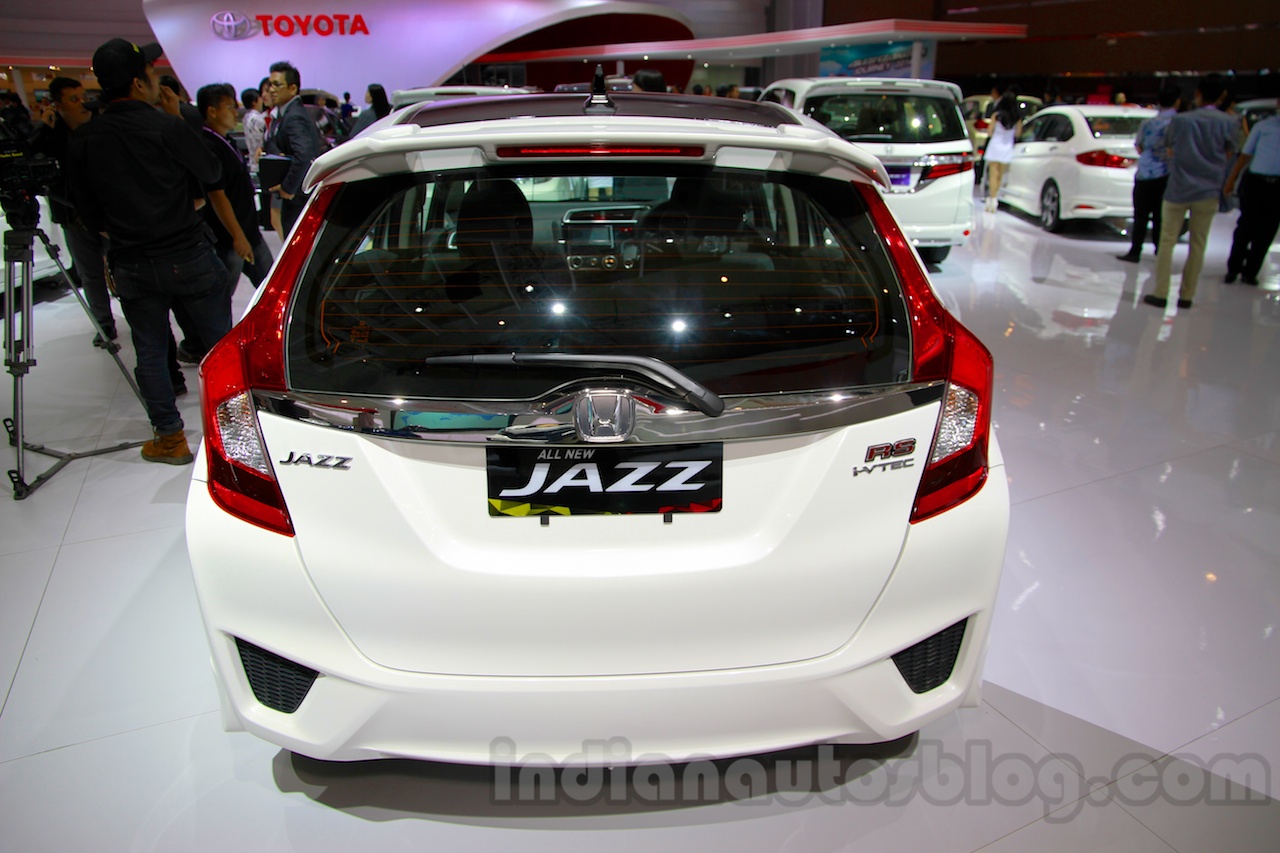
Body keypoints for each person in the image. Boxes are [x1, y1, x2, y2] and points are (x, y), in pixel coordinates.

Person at [65, 38, 230, 464]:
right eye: (153, 74)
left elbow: (85, 213)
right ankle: (235, 434)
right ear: (139, 83)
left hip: (132, 261)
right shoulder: (168, 127)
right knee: (220, 348)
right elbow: (212, 173)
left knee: (152, 353)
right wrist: (179, 123)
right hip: (189, 254)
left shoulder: (85, 139)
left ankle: (171, 439)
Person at [28, 76, 118, 347]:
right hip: (74, 218)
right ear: (57, 105)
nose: (82, 103)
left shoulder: (101, 129)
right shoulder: (50, 137)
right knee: (89, 274)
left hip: (110, 215)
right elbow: (32, 162)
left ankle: (140, 319)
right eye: (73, 99)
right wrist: (43, 127)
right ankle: (104, 323)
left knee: (123, 269)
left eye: (83, 97)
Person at [1142, 74, 1238, 311]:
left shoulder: (1181, 121)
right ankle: (1187, 296)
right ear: (1222, 96)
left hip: (1177, 187)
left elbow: (1170, 148)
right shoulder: (1228, 122)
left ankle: (1160, 292)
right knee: (1198, 244)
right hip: (1207, 190)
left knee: (1166, 241)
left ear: (1197, 93)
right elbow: (1230, 152)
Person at [198, 82, 273, 302]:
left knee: (272, 289)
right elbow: (217, 196)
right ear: (212, 111)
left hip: (248, 231)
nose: (235, 113)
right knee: (220, 297)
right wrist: (238, 236)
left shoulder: (224, 140)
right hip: (231, 238)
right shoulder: (208, 146)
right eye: (229, 107)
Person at [1118, 82, 1180, 262]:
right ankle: (1161, 252)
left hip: (1145, 173)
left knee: (1141, 215)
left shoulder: (1148, 123)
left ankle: (1135, 251)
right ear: (1177, 101)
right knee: (1162, 216)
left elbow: (1139, 146)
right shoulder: (1178, 124)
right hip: (1167, 174)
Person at [1223, 100, 1280, 286]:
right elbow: (1245, 155)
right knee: (1245, 226)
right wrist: (1231, 180)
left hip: (1277, 185)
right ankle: (1233, 268)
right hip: (1256, 181)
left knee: (1268, 230)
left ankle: (1251, 271)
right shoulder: (1263, 127)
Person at [264, 60, 322, 235]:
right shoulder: (285, 113)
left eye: (277, 85)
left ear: (292, 88)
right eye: (270, 85)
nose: (271, 90)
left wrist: (288, 188)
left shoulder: (294, 116)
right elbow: (271, 140)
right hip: (296, 195)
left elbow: (304, 155)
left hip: (298, 196)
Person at [983, 91, 1022, 212]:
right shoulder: (1017, 118)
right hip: (1007, 147)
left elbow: (989, 132)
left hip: (995, 145)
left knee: (993, 174)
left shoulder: (996, 116)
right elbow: (1018, 134)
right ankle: (995, 199)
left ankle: (991, 198)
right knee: (1000, 175)